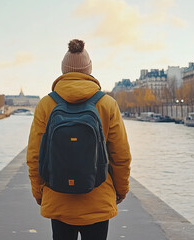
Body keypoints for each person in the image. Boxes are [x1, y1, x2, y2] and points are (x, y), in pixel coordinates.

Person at [27, 39, 131, 240]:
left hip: (58, 198)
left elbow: (34, 156)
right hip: (98, 199)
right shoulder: (108, 104)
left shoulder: (46, 104)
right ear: (89, 70)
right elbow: (121, 156)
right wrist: (121, 190)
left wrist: (40, 193)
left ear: (63, 71)